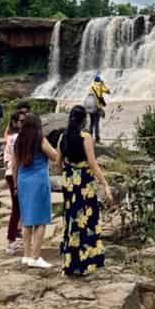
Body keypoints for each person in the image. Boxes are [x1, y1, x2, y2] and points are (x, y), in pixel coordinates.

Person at [58, 105, 113, 276]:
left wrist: (69, 170)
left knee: (72, 217)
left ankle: (71, 260)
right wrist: (105, 183)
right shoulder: (86, 137)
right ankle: (88, 259)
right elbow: (92, 162)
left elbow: (58, 163)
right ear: (84, 120)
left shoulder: (63, 137)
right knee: (87, 217)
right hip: (83, 182)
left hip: (69, 181)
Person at [13, 113, 60, 268]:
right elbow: (55, 157)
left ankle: (26, 256)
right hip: (38, 181)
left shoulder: (18, 140)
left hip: (22, 181)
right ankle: (36, 256)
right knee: (41, 220)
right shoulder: (40, 139)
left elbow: (14, 165)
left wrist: (15, 185)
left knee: (26, 219)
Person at [3, 110, 25, 254]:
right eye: (21, 121)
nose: (24, 123)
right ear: (15, 123)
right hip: (15, 174)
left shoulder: (10, 137)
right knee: (17, 208)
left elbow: (5, 158)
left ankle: (16, 233)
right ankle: (11, 239)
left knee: (18, 207)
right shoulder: (17, 138)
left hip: (10, 173)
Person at [86, 75, 111, 143]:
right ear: (99, 81)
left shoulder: (91, 86)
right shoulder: (100, 86)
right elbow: (108, 91)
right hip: (97, 107)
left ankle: (90, 137)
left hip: (91, 107)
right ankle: (97, 139)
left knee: (91, 123)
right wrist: (103, 84)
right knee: (96, 124)